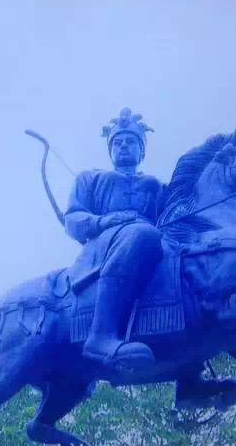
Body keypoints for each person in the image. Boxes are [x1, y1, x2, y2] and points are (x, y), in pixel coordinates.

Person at [64, 108, 164, 371]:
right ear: (110, 150)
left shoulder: (156, 185)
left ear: (141, 151)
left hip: (151, 246)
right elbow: (72, 219)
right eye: (117, 142)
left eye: (130, 141)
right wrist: (102, 221)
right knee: (142, 233)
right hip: (105, 246)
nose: (123, 146)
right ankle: (101, 336)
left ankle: (191, 371)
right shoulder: (90, 178)